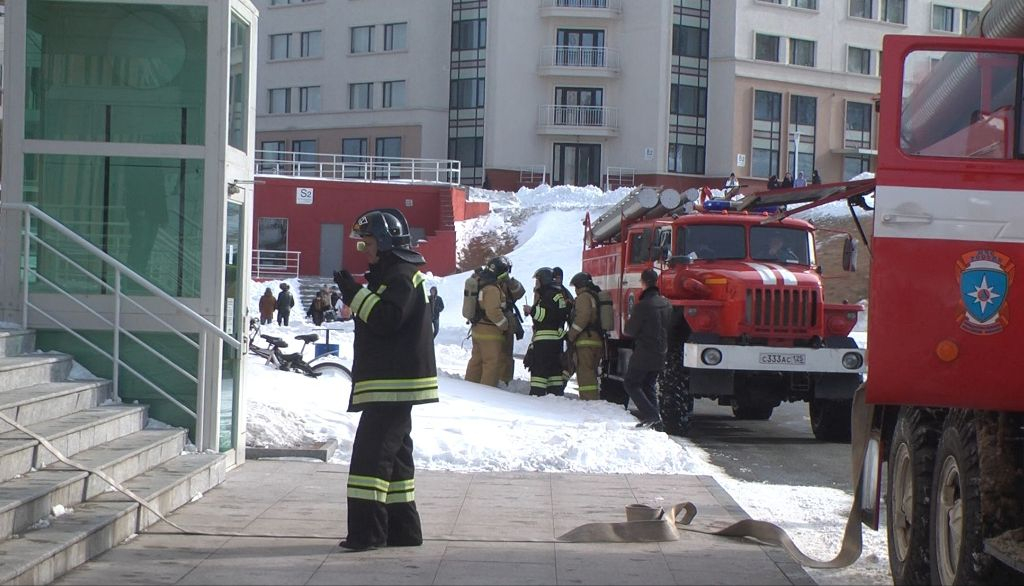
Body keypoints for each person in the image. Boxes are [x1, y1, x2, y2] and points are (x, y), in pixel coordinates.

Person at [332, 207, 438, 551]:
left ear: (383, 241)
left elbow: (386, 318)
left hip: (393, 385)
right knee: (395, 461)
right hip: (392, 383)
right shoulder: (395, 273)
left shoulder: (401, 276)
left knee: (370, 459)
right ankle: (402, 530)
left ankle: (367, 534)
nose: (363, 249)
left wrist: (354, 294)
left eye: (366, 242)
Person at [623, 269, 672, 430]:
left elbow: (629, 330)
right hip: (661, 351)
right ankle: (656, 421)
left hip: (644, 352)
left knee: (631, 383)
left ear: (643, 283)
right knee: (648, 385)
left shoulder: (643, 306)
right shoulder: (666, 304)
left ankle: (651, 415)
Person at [523, 267, 569, 397]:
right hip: (556, 342)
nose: (536, 284)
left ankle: (537, 395)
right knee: (554, 370)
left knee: (539, 371)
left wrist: (531, 310)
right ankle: (555, 395)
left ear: (544, 280)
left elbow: (544, 315)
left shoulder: (548, 295)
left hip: (544, 341)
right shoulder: (557, 295)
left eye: (537, 281)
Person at [465, 265, 508, 388]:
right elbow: (493, 311)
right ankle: (487, 393)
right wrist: (504, 324)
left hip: (477, 328)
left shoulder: (480, 283)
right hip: (490, 332)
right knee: (491, 363)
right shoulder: (492, 289)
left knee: (476, 361)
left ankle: (468, 387)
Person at [567, 272, 604, 401]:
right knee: (591, 371)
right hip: (596, 339)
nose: (575, 291)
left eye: (575, 288)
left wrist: (571, 335)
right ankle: (592, 399)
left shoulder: (583, 297)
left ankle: (589, 400)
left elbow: (582, 317)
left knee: (585, 372)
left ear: (579, 286)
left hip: (585, 341)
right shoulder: (595, 296)